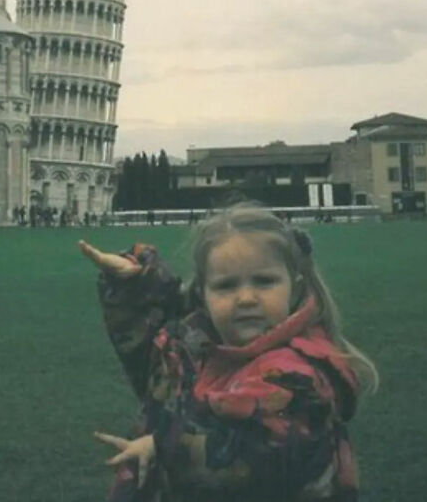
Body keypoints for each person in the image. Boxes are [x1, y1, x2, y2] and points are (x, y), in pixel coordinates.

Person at [79, 201, 377, 502]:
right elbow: (150, 361)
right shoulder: (196, 350)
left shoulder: (295, 377)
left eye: (264, 281)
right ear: (202, 295)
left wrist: (160, 445)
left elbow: (245, 456)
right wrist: (135, 287)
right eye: (226, 286)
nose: (246, 298)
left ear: (295, 288)